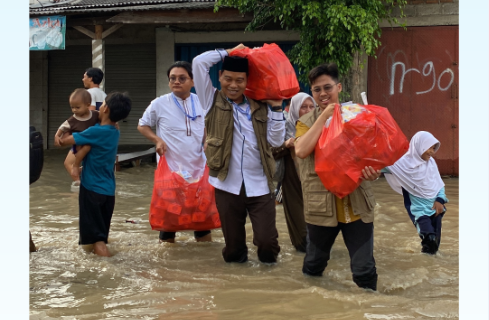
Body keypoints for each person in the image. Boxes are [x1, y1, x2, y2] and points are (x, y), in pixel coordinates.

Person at [193, 44, 285, 264]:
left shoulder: (261, 105)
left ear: (247, 82)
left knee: (267, 245)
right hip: (227, 186)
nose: (233, 85)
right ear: (220, 77)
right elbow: (198, 63)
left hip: (260, 186)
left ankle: (270, 285)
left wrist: (277, 109)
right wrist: (229, 52)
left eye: (240, 80)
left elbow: (276, 141)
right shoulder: (210, 100)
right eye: (228, 79)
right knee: (234, 251)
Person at [294, 63, 380, 290]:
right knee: (314, 264)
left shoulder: (357, 116)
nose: (323, 94)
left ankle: (368, 307)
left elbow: (371, 156)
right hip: (321, 205)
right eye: (317, 90)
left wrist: (374, 173)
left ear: (339, 87)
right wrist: (325, 116)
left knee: (364, 270)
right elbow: (302, 151)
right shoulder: (304, 123)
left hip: (356, 203)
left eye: (327, 88)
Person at [137, 61, 212, 243]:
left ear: (193, 81)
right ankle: (167, 262)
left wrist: (208, 140)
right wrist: (157, 140)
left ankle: (205, 261)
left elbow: (210, 127)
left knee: (201, 219)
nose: (176, 82)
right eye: (172, 78)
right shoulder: (159, 103)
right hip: (170, 170)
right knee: (168, 220)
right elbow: (142, 125)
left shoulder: (202, 102)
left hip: (198, 169)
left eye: (182, 78)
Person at [59, 92, 132, 257]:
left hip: (92, 190)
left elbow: (65, 141)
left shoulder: (95, 132)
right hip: (108, 192)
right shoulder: (114, 131)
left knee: (97, 241)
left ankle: (107, 274)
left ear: (105, 108)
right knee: (100, 237)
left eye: (102, 104)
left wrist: (66, 129)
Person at [382, 131, 448, 255]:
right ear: (419, 145)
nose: (432, 151)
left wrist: (440, 200)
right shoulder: (400, 164)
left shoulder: (431, 164)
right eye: (429, 147)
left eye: (434, 148)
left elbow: (439, 184)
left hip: (436, 209)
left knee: (436, 243)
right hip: (419, 212)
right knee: (429, 239)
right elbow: (379, 165)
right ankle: (425, 266)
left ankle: (430, 269)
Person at [271, 93, 316, 252]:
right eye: (304, 107)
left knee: (318, 231)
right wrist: (286, 145)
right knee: (301, 236)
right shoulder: (283, 128)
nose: (308, 110)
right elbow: (269, 152)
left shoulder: (318, 128)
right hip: (292, 185)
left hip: (315, 185)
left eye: (311, 107)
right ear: (295, 108)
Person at [54, 88, 99, 188]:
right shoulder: (73, 119)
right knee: (68, 163)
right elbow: (62, 127)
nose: (74, 110)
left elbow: (106, 120)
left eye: (77, 107)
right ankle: (79, 182)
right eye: (72, 107)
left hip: (92, 145)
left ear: (88, 105)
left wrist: (114, 124)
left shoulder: (96, 114)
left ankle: (82, 177)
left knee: (89, 161)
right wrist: (57, 136)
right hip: (78, 145)